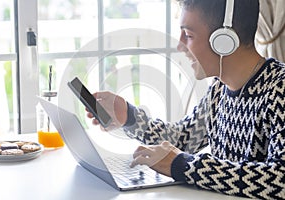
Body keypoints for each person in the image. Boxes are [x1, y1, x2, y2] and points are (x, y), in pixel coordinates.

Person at [87, 0, 285, 199]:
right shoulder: (219, 89)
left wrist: (186, 166)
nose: (180, 46)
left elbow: (280, 180)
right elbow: (184, 139)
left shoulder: (280, 88)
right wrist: (129, 116)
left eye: (189, 35)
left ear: (224, 40)